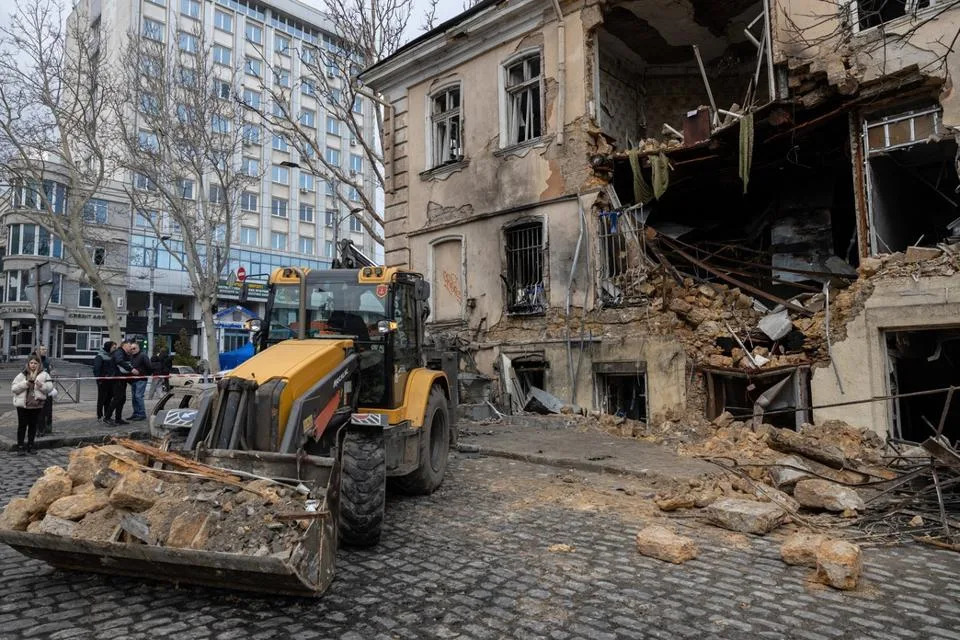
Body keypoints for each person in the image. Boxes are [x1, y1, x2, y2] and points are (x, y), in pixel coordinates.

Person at [11, 354, 54, 455]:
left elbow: (50, 388)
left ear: (39, 364)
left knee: (33, 426)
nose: (33, 365)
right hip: (23, 405)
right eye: (31, 363)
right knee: (22, 426)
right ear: (28, 363)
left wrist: (41, 385)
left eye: (35, 363)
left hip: (36, 405)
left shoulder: (44, 374)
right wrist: (26, 383)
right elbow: (14, 388)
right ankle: (20, 447)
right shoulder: (22, 374)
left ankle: (31, 446)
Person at [105, 340, 134, 426]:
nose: (131, 348)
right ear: (124, 345)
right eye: (129, 346)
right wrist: (131, 369)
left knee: (122, 399)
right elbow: (119, 361)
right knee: (117, 398)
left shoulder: (124, 353)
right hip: (117, 379)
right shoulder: (119, 352)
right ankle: (107, 417)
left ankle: (118, 418)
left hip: (122, 379)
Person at [127, 342, 152, 421]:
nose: (132, 350)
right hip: (133, 380)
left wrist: (143, 374)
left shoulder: (143, 355)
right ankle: (136, 413)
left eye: (134, 348)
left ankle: (142, 414)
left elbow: (149, 366)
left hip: (141, 379)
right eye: (131, 349)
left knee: (138, 396)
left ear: (138, 348)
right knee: (134, 397)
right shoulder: (131, 356)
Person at [93, 341, 116, 422]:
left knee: (108, 399)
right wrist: (99, 380)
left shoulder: (111, 356)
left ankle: (107, 415)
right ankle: (100, 415)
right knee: (101, 399)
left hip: (111, 382)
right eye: (113, 347)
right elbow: (96, 369)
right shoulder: (100, 356)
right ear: (108, 347)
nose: (114, 349)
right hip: (103, 382)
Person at [34, 346, 54, 435]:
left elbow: (49, 374)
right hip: (36, 390)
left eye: (45, 349)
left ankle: (47, 428)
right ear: (36, 350)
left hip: (47, 389)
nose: (45, 351)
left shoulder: (47, 361)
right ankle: (38, 429)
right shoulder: (33, 361)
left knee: (47, 410)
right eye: (42, 349)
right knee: (38, 411)